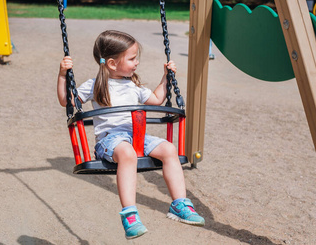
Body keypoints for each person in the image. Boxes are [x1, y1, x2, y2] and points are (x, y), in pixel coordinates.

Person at [57, 30, 205, 239]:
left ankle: (179, 204)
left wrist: (166, 78)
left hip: (137, 137)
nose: (137, 63)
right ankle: (130, 214)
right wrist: (63, 75)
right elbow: (67, 102)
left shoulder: (133, 85)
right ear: (112, 63)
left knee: (169, 149)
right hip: (110, 141)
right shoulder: (95, 84)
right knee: (128, 154)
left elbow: (155, 100)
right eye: (132, 58)